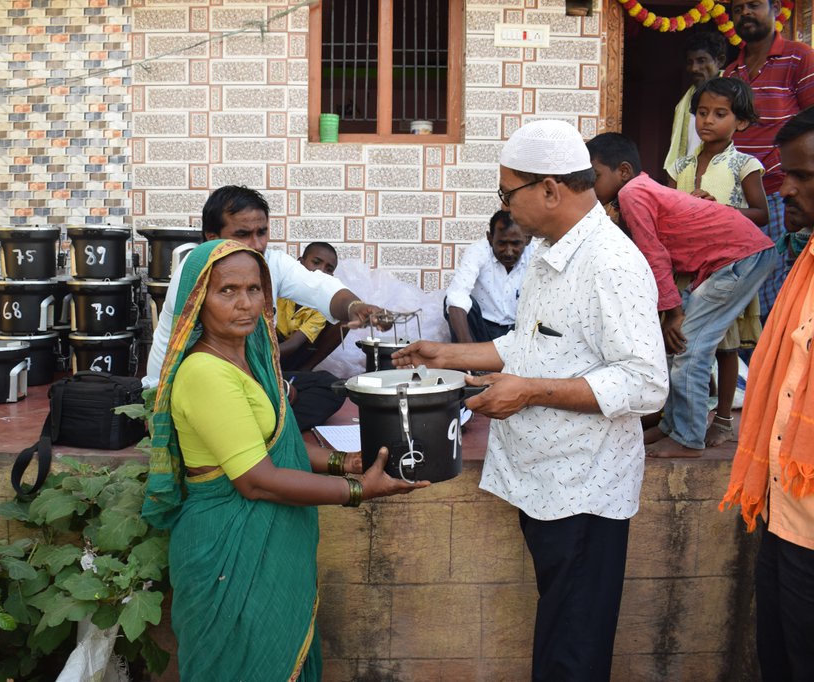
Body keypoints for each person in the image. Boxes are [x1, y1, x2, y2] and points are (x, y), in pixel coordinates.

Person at [393, 120, 668, 682]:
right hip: (546, 482)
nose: (503, 207)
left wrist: (531, 391)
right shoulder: (549, 251)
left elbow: (645, 382)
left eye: (506, 193)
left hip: (584, 490)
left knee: (573, 650)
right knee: (560, 631)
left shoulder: (610, 262)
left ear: (549, 189)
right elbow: (533, 341)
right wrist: (450, 356)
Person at [142, 239, 427, 681]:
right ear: (198, 300)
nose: (245, 304)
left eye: (255, 289)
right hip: (226, 550)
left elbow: (277, 444)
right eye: (227, 291)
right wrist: (358, 490)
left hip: (263, 542)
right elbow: (256, 479)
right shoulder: (204, 373)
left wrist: (343, 463)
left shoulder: (251, 359)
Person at [587, 132, 776, 458]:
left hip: (740, 257)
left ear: (624, 171)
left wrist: (674, 314)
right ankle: (673, 425)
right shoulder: (638, 190)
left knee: (689, 347)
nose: (590, 188)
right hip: (728, 261)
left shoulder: (633, 193)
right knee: (676, 348)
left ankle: (688, 438)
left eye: (595, 177)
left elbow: (654, 255)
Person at [720, 106, 814, 682]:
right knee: (779, 659)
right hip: (786, 517)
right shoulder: (805, 260)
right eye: (787, 174)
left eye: (805, 176)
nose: (788, 189)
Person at [145, 186, 385, 382]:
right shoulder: (193, 274)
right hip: (200, 379)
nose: (257, 244)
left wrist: (354, 306)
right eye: (242, 234)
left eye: (262, 232)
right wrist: (158, 397)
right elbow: (176, 347)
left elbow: (319, 286)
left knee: (326, 388)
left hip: (255, 376)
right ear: (212, 237)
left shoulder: (272, 263)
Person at [668, 76, 768, 446]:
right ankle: (673, 417)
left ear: (739, 122)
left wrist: (718, 211)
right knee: (680, 344)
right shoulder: (680, 166)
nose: (708, 120)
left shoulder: (744, 164)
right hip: (685, 269)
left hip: (726, 269)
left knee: (725, 347)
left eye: (720, 114)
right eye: (702, 113)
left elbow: (761, 213)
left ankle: (723, 421)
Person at [724, 0, 814, 318]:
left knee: (779, 283)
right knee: (746, 284)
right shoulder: (731, 72)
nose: (745, 13)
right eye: (737, 9)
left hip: (783, 190)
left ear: (775, 8)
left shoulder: (799, 57)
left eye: (754, 5)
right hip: (740, 198)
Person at [443, 210, 534, 343]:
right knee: (453, 301)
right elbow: (457, 296)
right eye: (502, 243)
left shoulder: (537, 255)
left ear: (527, 239)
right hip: (482, 329)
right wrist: (467, 350)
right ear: (490, 238)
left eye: (515, 244)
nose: (509, 252)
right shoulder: (478, 251)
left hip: (518, 331)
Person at [664, 30, 728, 177]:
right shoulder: (686, 101)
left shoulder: (734, 94)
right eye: (690, 62)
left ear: (720, 60)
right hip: (691, 175)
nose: (694, 68)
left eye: (701, 61)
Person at [277, 241, 342, 371]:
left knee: (342, 315)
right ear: (300, 262)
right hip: (267, 348)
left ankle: (303, 372)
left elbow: (294, 344)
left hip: (293, 352)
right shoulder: (280, 285)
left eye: (328, 269)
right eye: (316, 262)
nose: (321, 271)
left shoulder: (322, 303)